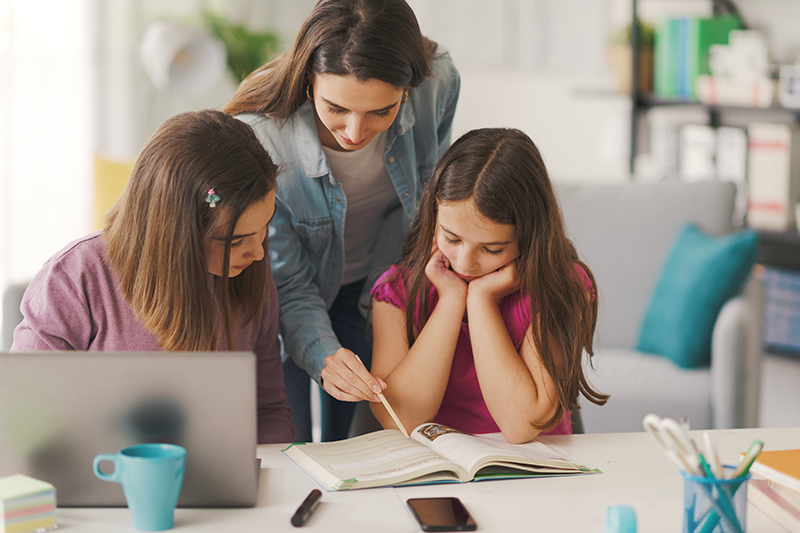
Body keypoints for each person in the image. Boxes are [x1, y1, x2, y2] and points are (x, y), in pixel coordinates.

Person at [223, 0, 460, 442]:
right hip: (283, 296)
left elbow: (429, 200)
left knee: (361, 440)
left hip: (377, 282)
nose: (353, 132)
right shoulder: (261, 135)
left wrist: (387, 297)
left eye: (380, 112)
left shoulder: (439, 82)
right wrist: (322, 354)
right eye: (336, 108)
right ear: (308, 80)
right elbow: (288, 285)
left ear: (408, 90)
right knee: (286, 440)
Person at [11, 109, 293, 444]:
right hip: (102, 482)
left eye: (264, 229)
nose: (259, 253)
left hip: (217, 487)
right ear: (176, 232)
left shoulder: (250, 275)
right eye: (234, 240)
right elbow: (23, 417)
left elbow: (268, 409)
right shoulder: (75, 278)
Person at [369, 128, 609, 444]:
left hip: (535, 474)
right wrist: (452, 299)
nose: (465, 263)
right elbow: (399, 418)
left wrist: (481, 301)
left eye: (492, 249)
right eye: (451, 238)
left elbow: (521, 425)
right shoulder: (396, 290)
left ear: (529, 238)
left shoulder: (562, 286)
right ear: (434, 218)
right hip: (438, 468)